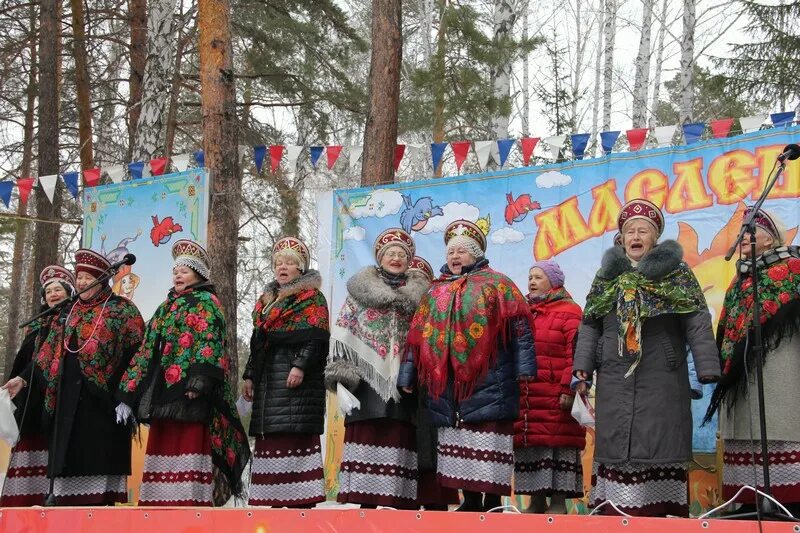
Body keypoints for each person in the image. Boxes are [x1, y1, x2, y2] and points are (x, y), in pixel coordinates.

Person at [573, 199, 720, 517]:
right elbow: (590, 324)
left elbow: (695, 318)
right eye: (629, 231)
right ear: (622, 238)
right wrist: (582, 369)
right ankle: (616, 513)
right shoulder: (607, 277)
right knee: (616, 449)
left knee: (657, 443)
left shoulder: (676, 274)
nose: (635, 236)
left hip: (662, 375)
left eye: (643, 230)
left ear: (655, 238)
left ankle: (657, 514)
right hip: (614, 375)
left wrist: (707, 365)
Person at [402, 219, 537, 513]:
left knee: (488, 440)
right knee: (459, 442)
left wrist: (524, 367)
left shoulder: (498, 284)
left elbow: (520, 326)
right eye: (451, 252)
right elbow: (417, 338)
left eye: (462, 251)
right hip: (449, 385)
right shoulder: (435, 292)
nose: (455, 257)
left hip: (491, 377)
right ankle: (471, 500)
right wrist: (408, 374)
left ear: (475, 254)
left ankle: (493, 501)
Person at [116, 239, 249, 506]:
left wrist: (199, 382)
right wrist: (128, 391)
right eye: (175, 271)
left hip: (191, 391)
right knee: (163, 441)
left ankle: (189, 505)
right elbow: (146, 348)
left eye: (184, 271)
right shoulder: (166, 306)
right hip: (164, 391)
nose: (178, 275)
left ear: (198, 275)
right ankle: (158, 506)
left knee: (186, 442)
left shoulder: (207, 302)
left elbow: (210, 342)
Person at [705, 207, 800, 515]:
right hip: (744, 367)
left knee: (778, 422)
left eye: (752, 231)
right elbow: (728, 327)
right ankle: (746, 497)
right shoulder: (740, 279)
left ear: (771, 239)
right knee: (746, 426)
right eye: (742, 231)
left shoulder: (794, 268)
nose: (744, 236)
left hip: (782, 362)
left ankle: (788, 499)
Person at [33, 248, 145, 505]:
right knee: (67, 463)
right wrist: (25, 379)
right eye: (79, 277)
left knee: (96, 460)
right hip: (67, 399)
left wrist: (127, 395)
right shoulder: (68, 312)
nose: (82, 282)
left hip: (105, 403)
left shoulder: (122, 311)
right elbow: (48, 353)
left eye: (87, 277)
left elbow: (140, 354)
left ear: (101, 279)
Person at [326, 228, 426, 509]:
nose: (396, 258)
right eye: (390, 253)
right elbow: (343, 334)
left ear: (409, 261)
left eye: (401, 254)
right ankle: (366, 506)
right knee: (369, 431)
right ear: (380, 258)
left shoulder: (420, 299)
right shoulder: (359, 294)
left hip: (406, 378)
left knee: (399, 433)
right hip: (366, 379)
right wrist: (341, 380)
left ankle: (396, 502)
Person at [242, 236, 330, 508]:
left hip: (295, 380)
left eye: (289, 263)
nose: (282, 267)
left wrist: (300, 366)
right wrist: (249, 375)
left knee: (294, 434)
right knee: (273, 437)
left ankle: (301, 504)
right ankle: (276, 503)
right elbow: (258, 342)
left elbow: (316, 337)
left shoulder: (311, 297)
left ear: (300, 269)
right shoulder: (266, 302)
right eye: (278, 262)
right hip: (269, 380)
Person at [514, 260, 585, 514]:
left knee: (558, 445)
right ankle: (535, 500)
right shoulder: (523, 312)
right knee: (532, 445)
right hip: (529, 395)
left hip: (555, 393)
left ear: (554, 281)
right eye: (530, 277)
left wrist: (569, 388)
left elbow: (575, 352)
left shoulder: (570, 311)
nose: (532, 282)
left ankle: (558, 501)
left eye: (538, 277)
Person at [0, 266, 75, 506]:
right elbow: (26, 361)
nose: (53, 294)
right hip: (32, 397)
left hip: (59, 395)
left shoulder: (72, 321)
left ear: (69, 293)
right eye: (49, 291)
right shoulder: (36, 326)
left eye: (58, 290)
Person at [401, 256, 460, 511]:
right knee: (414, 439)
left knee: (438, 440)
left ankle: (437, 500)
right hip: (416, 378)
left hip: (440, 377)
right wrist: (408, 374)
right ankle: (410, 498)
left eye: (419, 279)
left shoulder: (440, 301)